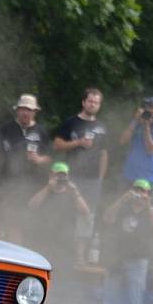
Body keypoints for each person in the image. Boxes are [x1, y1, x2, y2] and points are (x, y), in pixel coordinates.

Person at [0, 93, 52, 243]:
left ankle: (14, 260)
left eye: (29, 110)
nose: (25, 112)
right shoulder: (5, 128)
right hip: (3, 181)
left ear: (35, 112)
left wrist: (39, 159)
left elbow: (49, 158)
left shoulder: (41, 132)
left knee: (17, 225)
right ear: (17, 110)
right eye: (22, 109)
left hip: (27, 186)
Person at [53, 87, 108, 265]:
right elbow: (57, 145)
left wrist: (101, 178)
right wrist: (78, 143)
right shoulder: (71, 122)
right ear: (83, 102)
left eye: (96, 102)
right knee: (66, 211)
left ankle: (80, 257)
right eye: (90, 101)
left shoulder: (101, 128)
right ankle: (59, 250)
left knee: (87, 216)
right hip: (71, 175)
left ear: (99, 105)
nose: (93, 105)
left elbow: (104, 154)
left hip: (92, 179)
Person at [26, 162, 90, 277]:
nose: (61, 178)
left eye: (63, 176)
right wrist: (48, 188)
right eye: (58, 175)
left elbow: (85, 212)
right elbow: (32, 205)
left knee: (62, 280)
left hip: (64, 246)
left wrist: (75, 191)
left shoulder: (72, 194)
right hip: (42, 244)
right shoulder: (44, 191)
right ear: (51, 175)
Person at [118, 96, 153, 191]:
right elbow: (122, 141)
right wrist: (134, 121)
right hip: (129, 175)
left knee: (143, 206)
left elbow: (151, 151)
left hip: (147, 178)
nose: (152, 110)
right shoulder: (137, 124)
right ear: (143, 110)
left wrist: (146, 127)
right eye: (149, 107)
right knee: (121, 205)